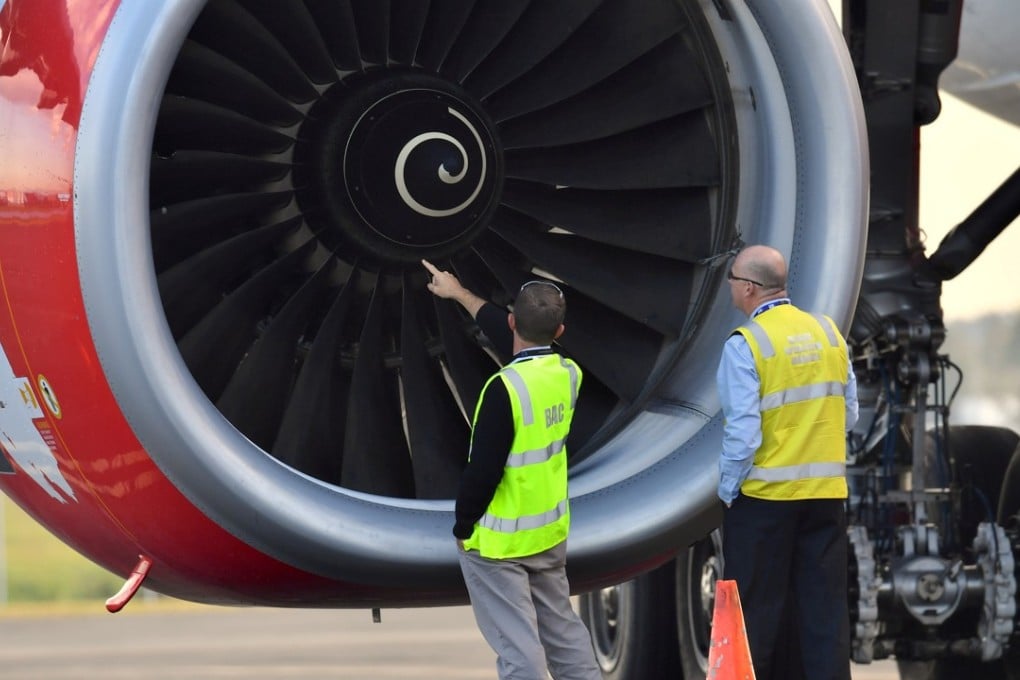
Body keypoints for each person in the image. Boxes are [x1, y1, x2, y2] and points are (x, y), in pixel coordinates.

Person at [422, 259, 601, 680]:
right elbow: (524, 341)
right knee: (564, 634)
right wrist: (459, 293)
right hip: (548, 532)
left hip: (499, 544)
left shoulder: (503, 390)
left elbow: (483, 472)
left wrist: (463, 526)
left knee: (520, 651)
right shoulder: (567, 374)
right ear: (560, 331)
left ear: (511, 321)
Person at [716, 245, 859, 680]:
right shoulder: (828, 333)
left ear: (748, 287)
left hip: (765, 500)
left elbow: (743, 434)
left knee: (754, 619)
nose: (730, 286)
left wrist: (727, 490)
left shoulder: (746, 344)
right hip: (826, 496)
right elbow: (849, 413)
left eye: (731, 278)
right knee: (824, 615)